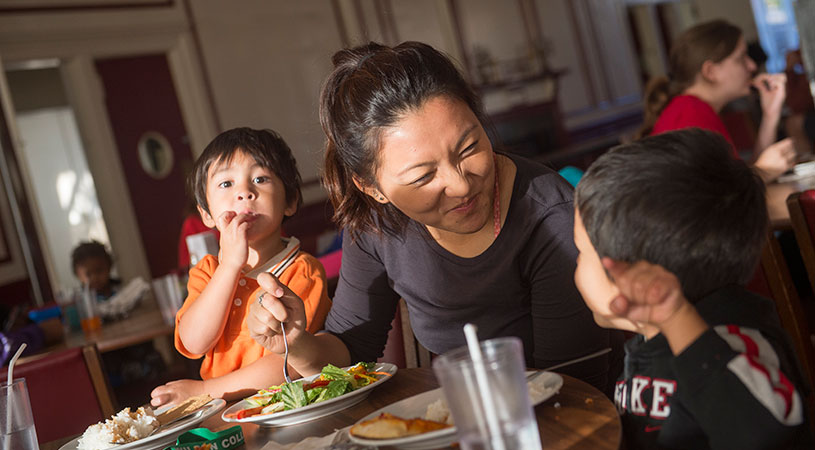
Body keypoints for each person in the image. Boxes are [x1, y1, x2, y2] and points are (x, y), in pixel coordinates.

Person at [247, 41, 622, 394]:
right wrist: (296, 343)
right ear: (370, 187)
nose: (460, 185)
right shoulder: (377, 224)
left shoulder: (550, 218)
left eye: (469, 147)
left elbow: (574, 391)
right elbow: (351, 348)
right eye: (423, 177)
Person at [573, 128, 811, 449]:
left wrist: (676, 319)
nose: (574, 266)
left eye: (581, 253)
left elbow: (764, 433)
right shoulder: (647, 339)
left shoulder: (732, 346)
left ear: (633, 278)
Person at [150, 127, 332, 406]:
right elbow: (193, 342)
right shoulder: (208, 271)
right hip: (220, 415)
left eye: (260, 179)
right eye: (226, 184)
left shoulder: (302, 271)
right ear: (206, 214)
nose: (245, 192)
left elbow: (291, 362)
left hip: (286, 408)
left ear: (290, 201)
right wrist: (230, 266)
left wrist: (203, 391)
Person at [637, 19, 796, 182]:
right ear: (710, 71)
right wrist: (765, 171)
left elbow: (738, 182)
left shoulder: (691, 107)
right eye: (741, 58)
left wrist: (770, 114)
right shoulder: (692, 115)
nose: (752, 66)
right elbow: (726, 200)